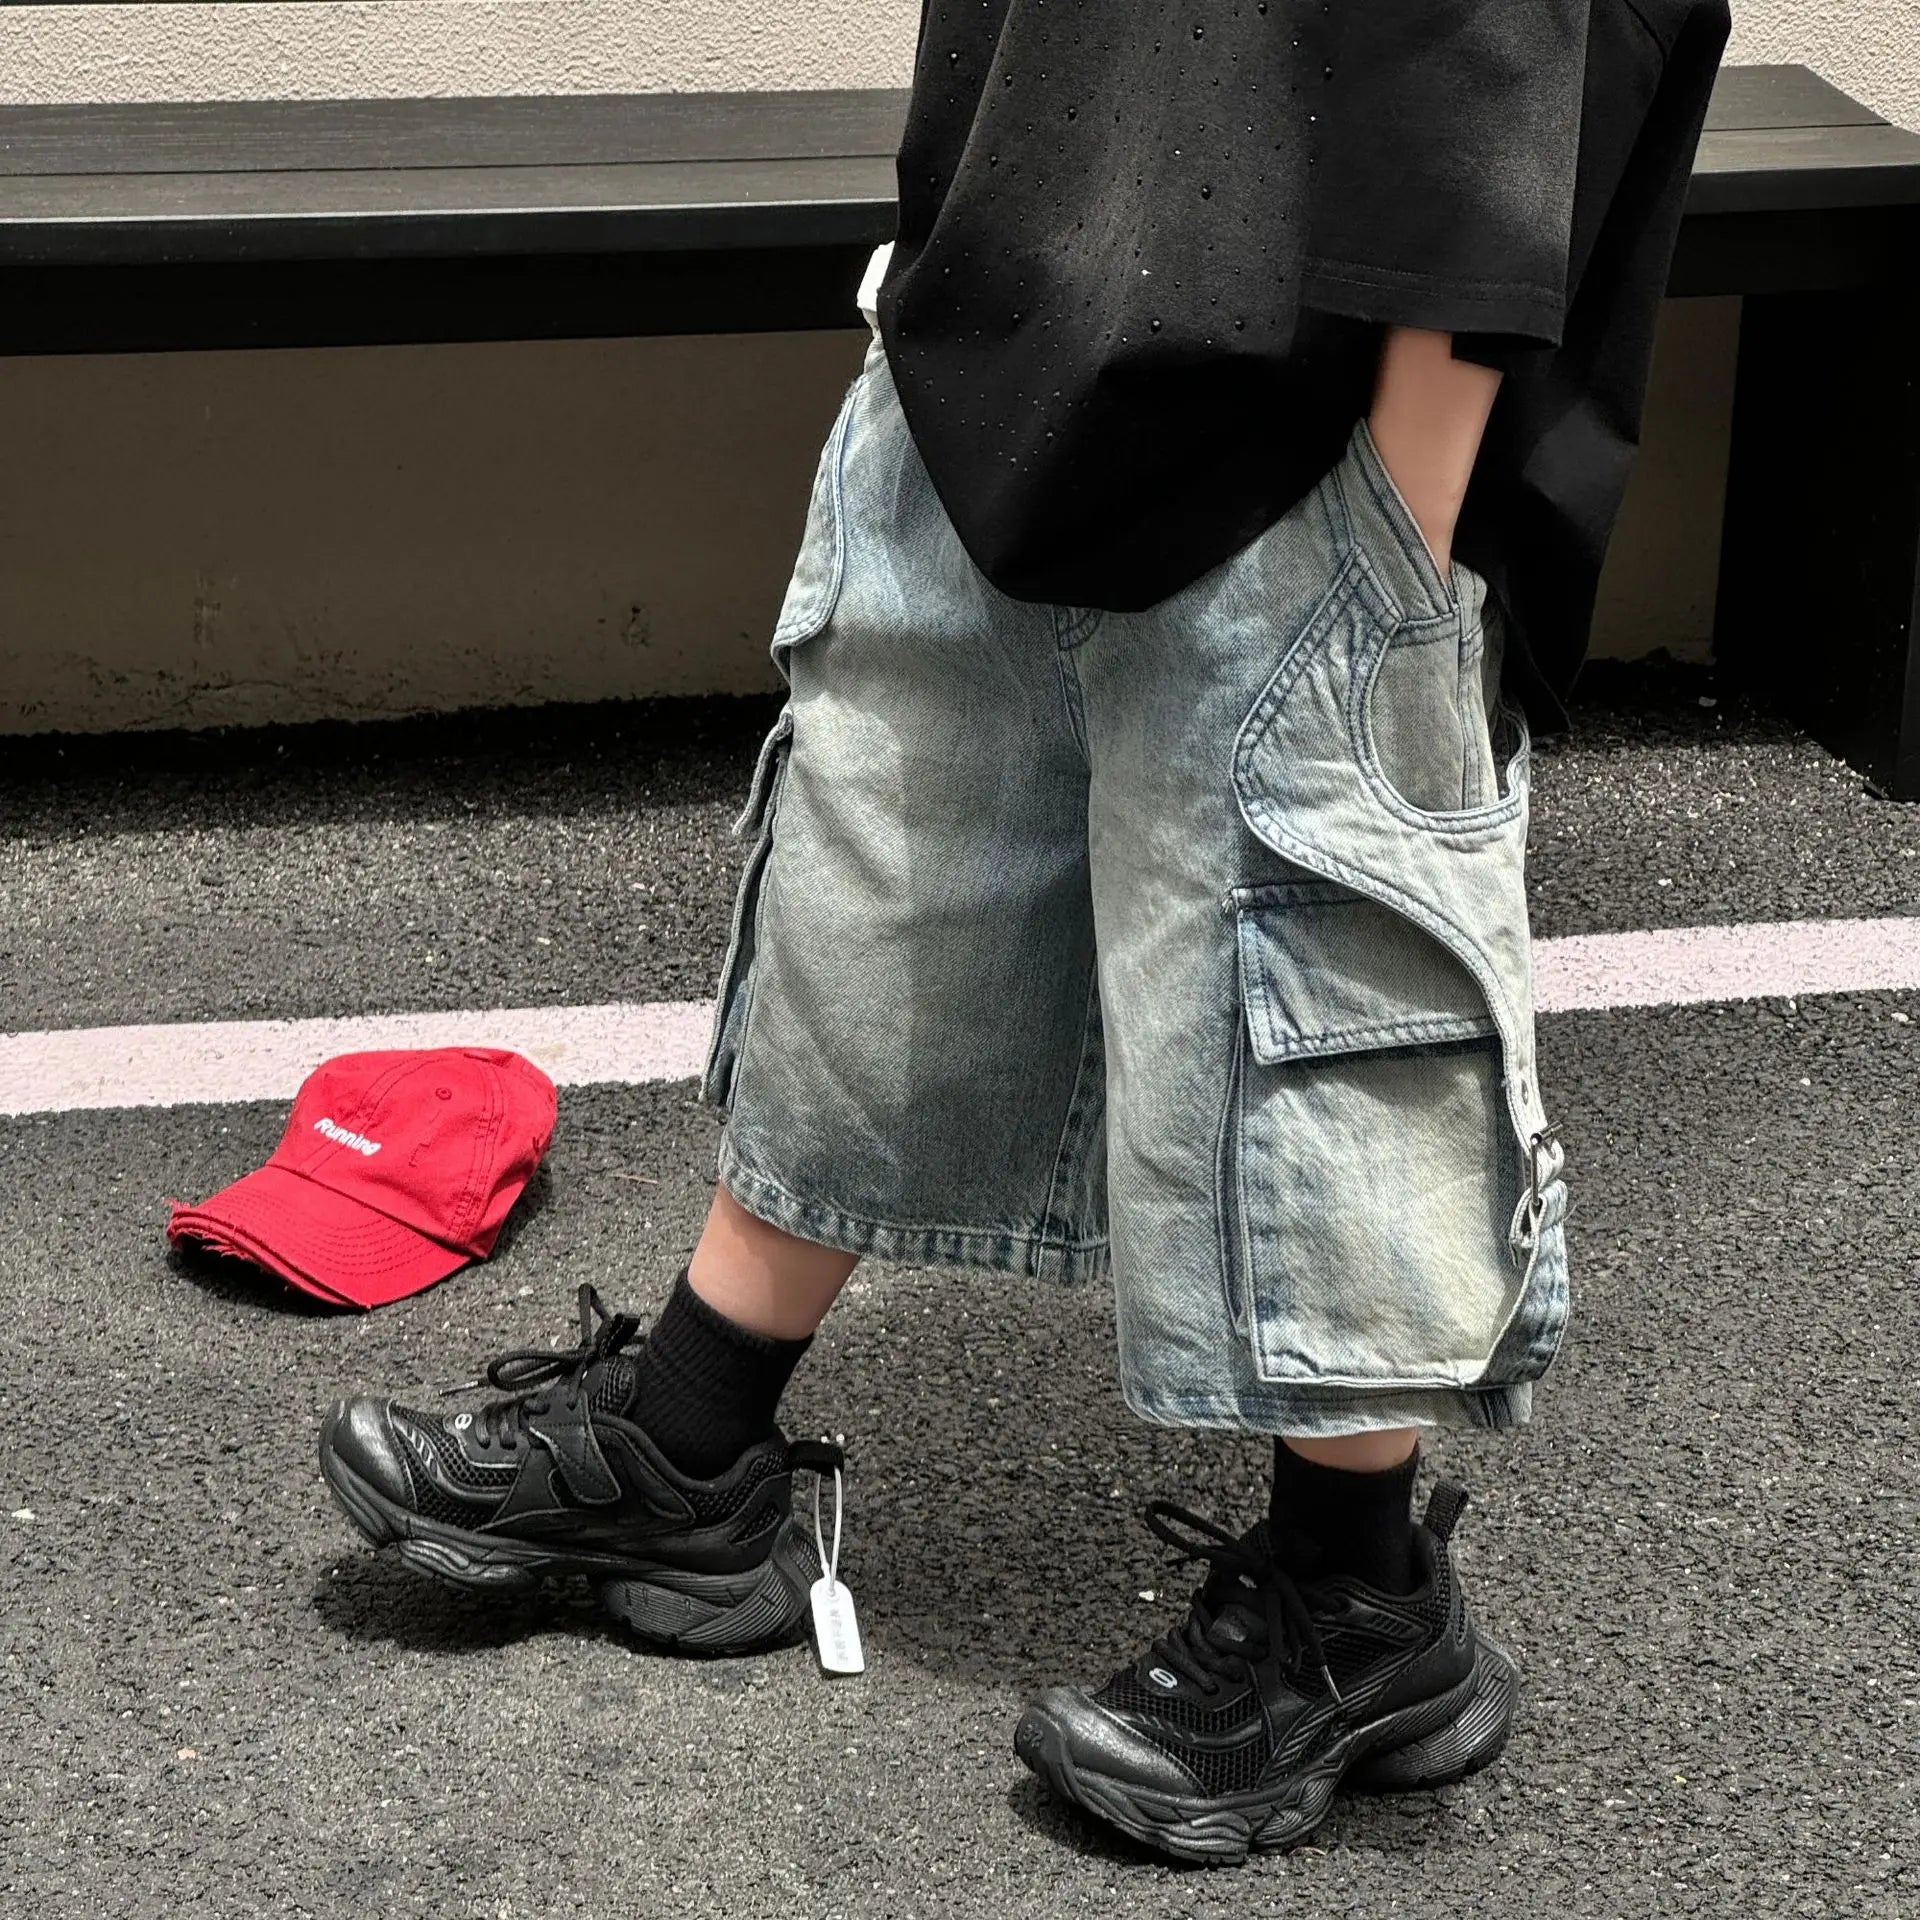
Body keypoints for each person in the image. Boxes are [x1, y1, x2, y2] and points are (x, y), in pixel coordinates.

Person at [318, 0, 1729, 1864]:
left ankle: (1359, 1590)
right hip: (1013, 329)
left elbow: (1503, 49)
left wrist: (1407, 504)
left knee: (1304, 977)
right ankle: (688, 1444)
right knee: (879, 901)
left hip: (1340, 402)